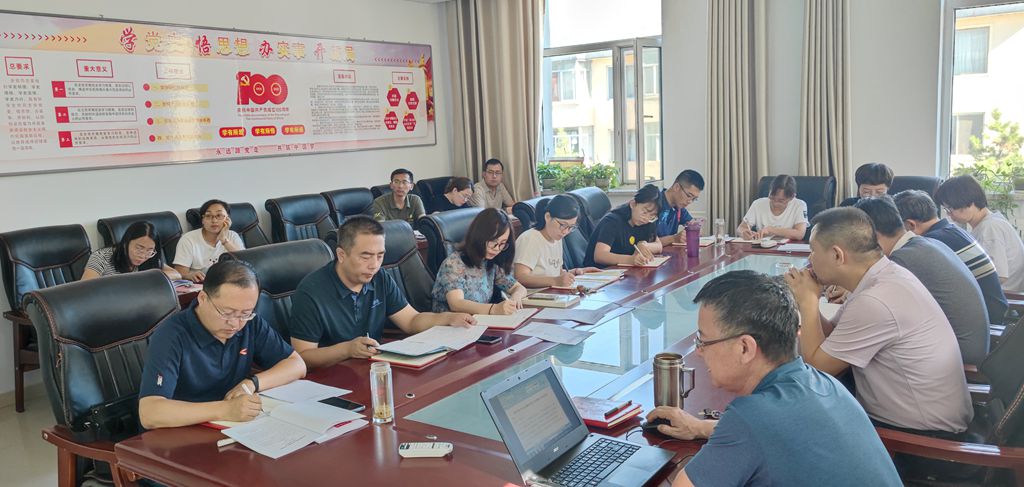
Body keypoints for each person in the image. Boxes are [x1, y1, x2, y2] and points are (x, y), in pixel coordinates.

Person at [647, 271, 901, 487]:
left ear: (745, 348)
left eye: (703, 341)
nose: (699, 353)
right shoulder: (824, 384)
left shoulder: (751, 417)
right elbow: (776, 432)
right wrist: (699, 427)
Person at [784, 207, 973, 437]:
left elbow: (818, 369)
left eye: (813, 251)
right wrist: (807, 300)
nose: (809, 259)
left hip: (919, 433)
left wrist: (808, 303)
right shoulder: (885, 275)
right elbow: (834, 332)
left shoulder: (876, 300)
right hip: (920, 413)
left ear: (837, 255)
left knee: (793, 412)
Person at [288, 216, 475, 368]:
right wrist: (347, 349)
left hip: (372, 368)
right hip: (332, 377)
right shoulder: (311, 291)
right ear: (341, 255)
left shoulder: (380, 278)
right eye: (366, 256)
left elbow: (411, 320)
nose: (374, 265)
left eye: (380, 255)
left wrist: (447, 318)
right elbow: (303, 356)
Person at [138, 260, 307, 429]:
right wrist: (225, 409)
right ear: (203, 298)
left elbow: (297, 365)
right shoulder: (171, 335)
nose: (235, 324)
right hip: (183, 430)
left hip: (233, 426)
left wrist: (252, 383)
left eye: (245, 313)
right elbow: (150, 413)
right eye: (226, 313)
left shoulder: (250, 323)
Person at [856, 196, 990, 364]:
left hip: (960, 352)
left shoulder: (902, 259)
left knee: (863, 353)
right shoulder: (927, 244)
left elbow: (877, 311)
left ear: (870, 235)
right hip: (975, 343)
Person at [894, 189, 1008, 324]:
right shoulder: (953, 230)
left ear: (910, 225)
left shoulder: (931, 243)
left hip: (985, 320)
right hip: (994, 311)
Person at [934, 175, 1024, 293]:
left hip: (1005, 296)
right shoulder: (990, 222)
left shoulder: (990, 228)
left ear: (968, 203)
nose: (949, 214)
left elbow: (998, 276)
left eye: (950, 209)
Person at [432, 208, 528, 313]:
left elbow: (519, 288)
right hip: (451, 322)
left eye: (502, 243)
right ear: (479, 236)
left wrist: (516, 297)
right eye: (493, 241)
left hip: (479, 320)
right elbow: (456, 304)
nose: (497, 248)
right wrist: (494, 309)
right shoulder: (454, 263)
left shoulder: (490, 261)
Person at [513, 195, 600, 289]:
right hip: (533, 295)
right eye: (562, 225)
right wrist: (555, 281)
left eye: (571, 227)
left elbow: (556, 274)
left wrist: (577, 272)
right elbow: (520, 277)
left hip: (553, 293)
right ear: (547, 217)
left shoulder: (556, 238)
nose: (565, 232)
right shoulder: (530, 239)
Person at [583, 184, 663, 268]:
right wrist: (630, 260)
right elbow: (600, 256)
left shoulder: (647, 223)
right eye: (644, 212)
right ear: (633, 204)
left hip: (623, 271)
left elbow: (659, 246)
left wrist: (644, 245)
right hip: (599, 271)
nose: (646, 218)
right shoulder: (612, 221)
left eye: (652, 216)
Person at [82, 221, 181, 281]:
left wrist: (147, 278)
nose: (143, 256)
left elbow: (176, 274)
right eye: (139, 248)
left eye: (149, 250)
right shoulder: (102, 257)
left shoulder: (150, 257)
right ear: (125, 243)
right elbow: (85, 287)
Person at [173, 199, 244, 282]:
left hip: (229, 282)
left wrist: (224, 239)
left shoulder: (232, 236)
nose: (214, 220)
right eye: (208, 216)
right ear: (202, 220)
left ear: (227, 219)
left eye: (219, 215)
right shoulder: (188, 239)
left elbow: (244, 263)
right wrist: (189, 275)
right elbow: (180, 273)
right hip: (202, 284)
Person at [737, 175, 808, 240]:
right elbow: (741, 228)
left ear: (792, 197)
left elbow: (800, 234)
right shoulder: (758, 204)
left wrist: (771, 230)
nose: (775, 203)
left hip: (788, 248)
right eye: (772, 198)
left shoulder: (799, 205)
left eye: (781, 201)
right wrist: (744, 232)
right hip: (761, 246)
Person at [655, 169, 705, 245]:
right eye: (689, 196)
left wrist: (697, 228)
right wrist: (674, 238)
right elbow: (646, 244)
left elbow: (692, 224)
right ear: (676, 187)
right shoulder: (653, 204)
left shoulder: (679, 207)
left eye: (694, 199)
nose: (690, 202)